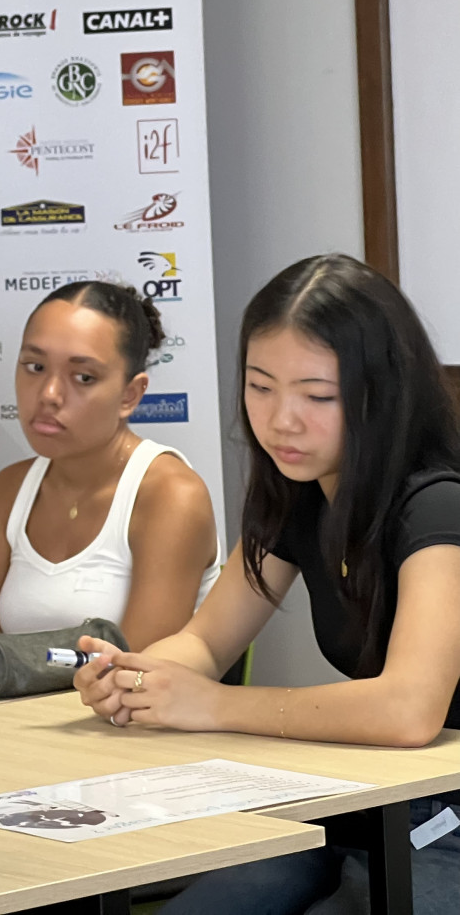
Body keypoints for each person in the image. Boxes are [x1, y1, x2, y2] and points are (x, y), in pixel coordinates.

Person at [72, 254, 460, 914]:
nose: (282, 420)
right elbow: (205, 641)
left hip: (443, 815)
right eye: (260, 387)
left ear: (382, 393)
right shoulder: (298, 489)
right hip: (363, 791)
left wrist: (213, 705)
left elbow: (408, 710)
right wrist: (135, 680)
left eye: (318, 396)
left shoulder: (437, 506)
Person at [0, 281, 219, 655]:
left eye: (83, 377)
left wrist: (4, 653)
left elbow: (133, 671)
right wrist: (56, 659)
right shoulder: (10, 487)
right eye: (35, 367)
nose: (48, 394)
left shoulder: (171, 495)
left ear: (130, 395)